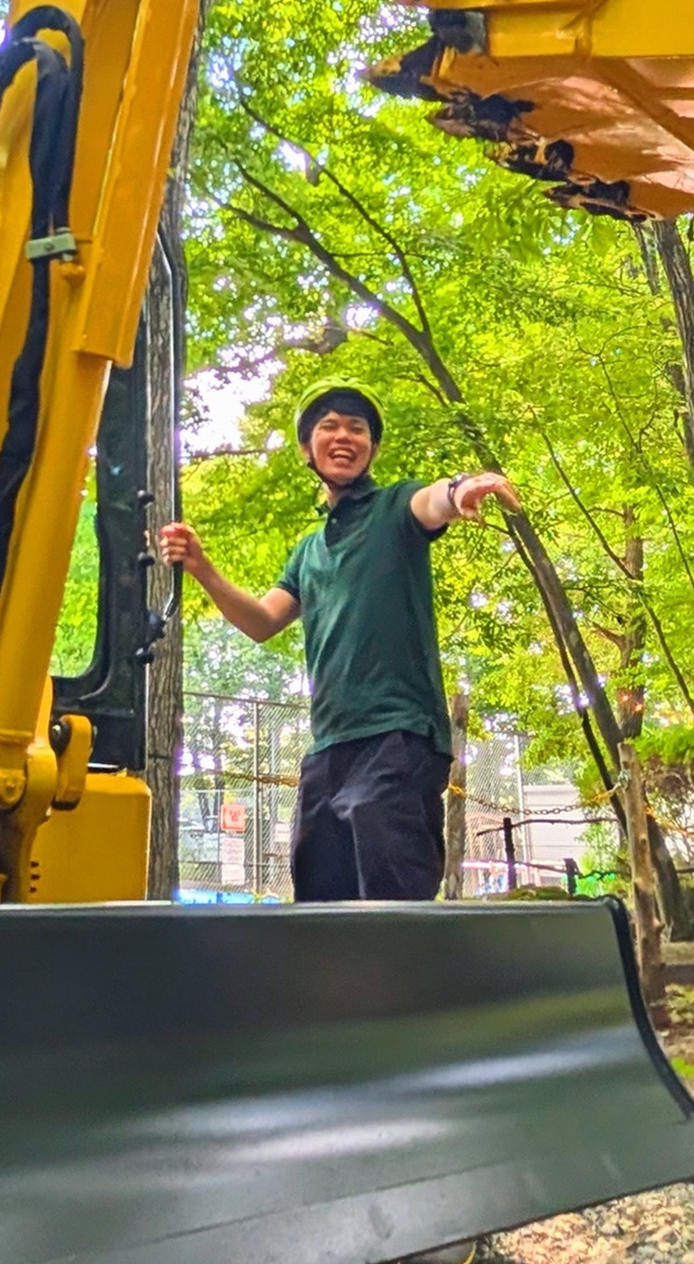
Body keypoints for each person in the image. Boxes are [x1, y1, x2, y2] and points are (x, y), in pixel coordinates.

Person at [157, 383, 519, 902]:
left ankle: (408, 985)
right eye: (329, 425)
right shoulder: (308, 552)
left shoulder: (395, 509)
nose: (344, 435)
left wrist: (462, 487)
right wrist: (201, 568)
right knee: (318, 909)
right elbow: (262, 621)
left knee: (392, 908)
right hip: (328, 752)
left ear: (371, 447)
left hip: (399, 739)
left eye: (357, 428)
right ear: (307, 448)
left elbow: (434, 500)